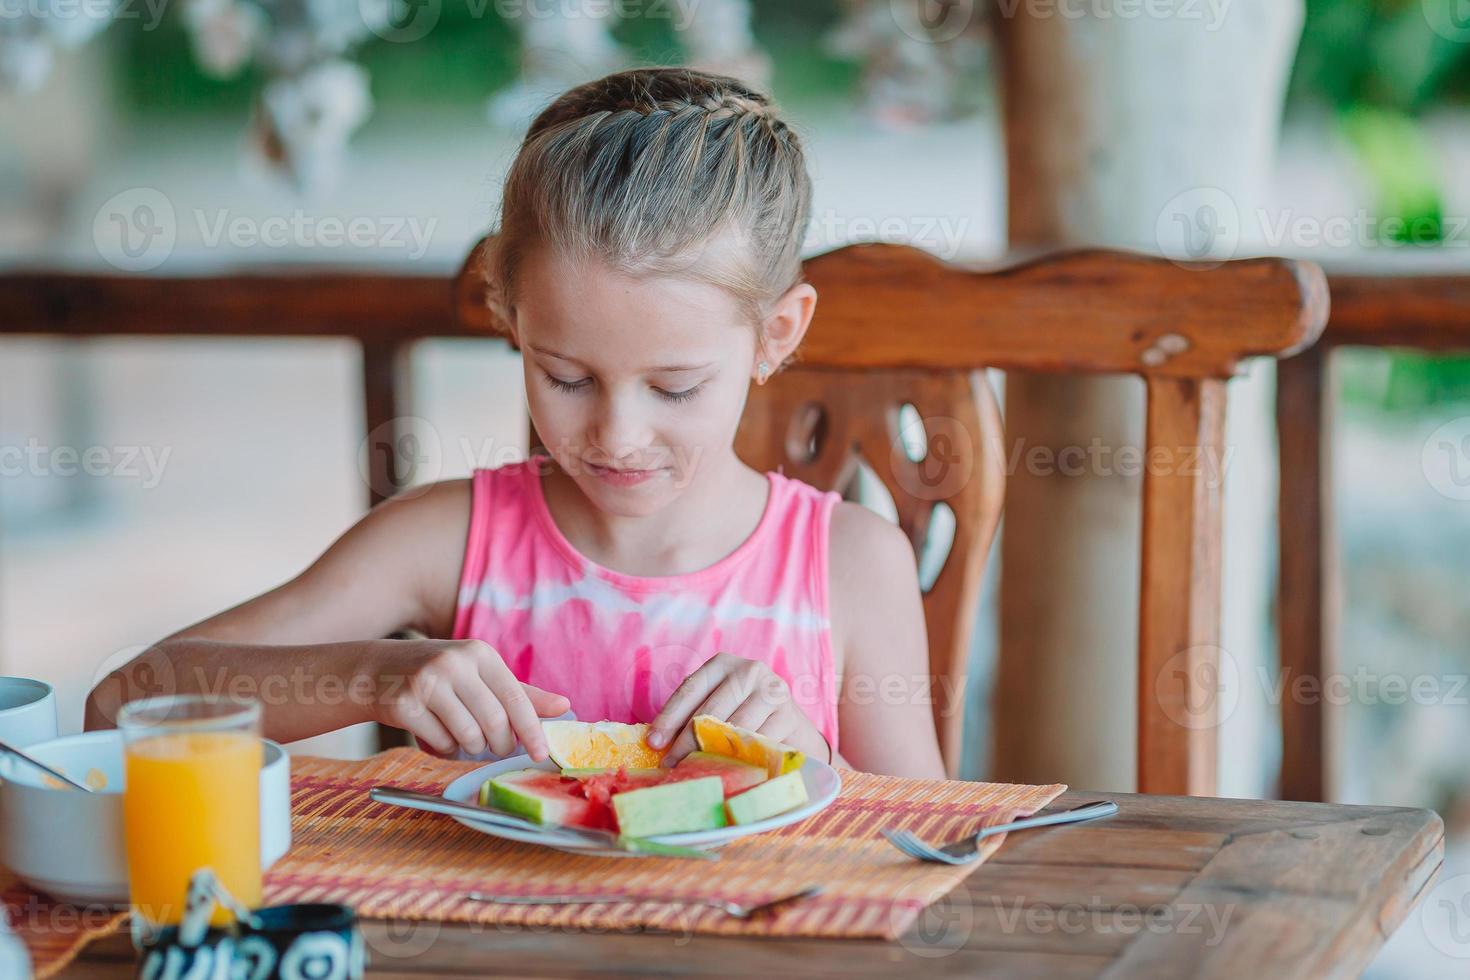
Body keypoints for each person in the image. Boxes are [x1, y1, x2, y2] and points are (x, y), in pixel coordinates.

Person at [86, 67, 946, 779]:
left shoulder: (851, 566)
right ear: (510, 318)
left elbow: (933, 842)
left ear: (776, 337)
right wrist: (370, 673)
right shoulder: (450, 540)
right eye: (565, 376)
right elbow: (122, 703)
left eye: (675, 388)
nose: (615, 435)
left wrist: (817, 771)